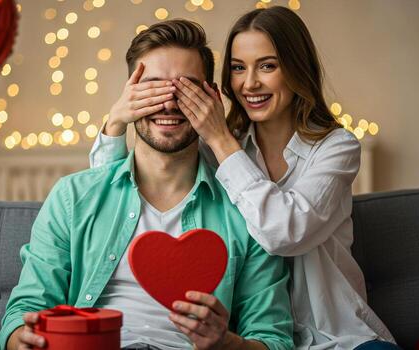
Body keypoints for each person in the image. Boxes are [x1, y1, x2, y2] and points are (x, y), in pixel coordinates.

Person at [90, 7, 400, 350]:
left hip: (333, 334)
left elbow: (284, 233)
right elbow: (106, 197)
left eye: (267, 66)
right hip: (252, 335)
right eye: (238, 68)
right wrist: (115, 122)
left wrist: (221, 139)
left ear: (297, 70)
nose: (249, 83)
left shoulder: (335, 148)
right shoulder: (222, 146)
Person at [0, 19, 294, 350]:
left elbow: (274, 339)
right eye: (153, 88)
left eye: (186, 89)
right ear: (130, 96)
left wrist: (225, 343)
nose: (168, 103)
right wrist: (20, 342)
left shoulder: (247, 210)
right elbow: (23, 313)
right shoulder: (72, 197)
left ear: (211, 96)